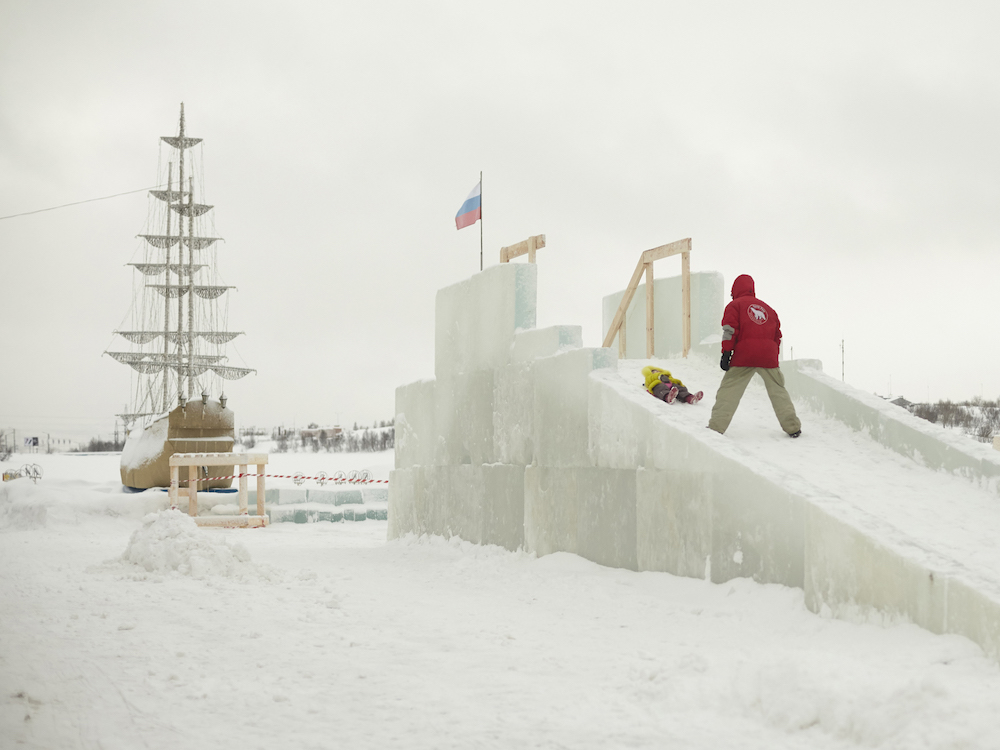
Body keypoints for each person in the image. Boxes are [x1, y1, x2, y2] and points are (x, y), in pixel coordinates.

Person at [707, 274, 802, 437]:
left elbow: (729, 330)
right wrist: (771, 354)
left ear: (735, 290)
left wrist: (726, 353)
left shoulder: (734, 305)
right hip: (768, 356)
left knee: (729, 390)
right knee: (778, 390)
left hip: (744, 354)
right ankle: (793, 427)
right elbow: (777, 336)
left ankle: (716, 427)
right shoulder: (769, 310)